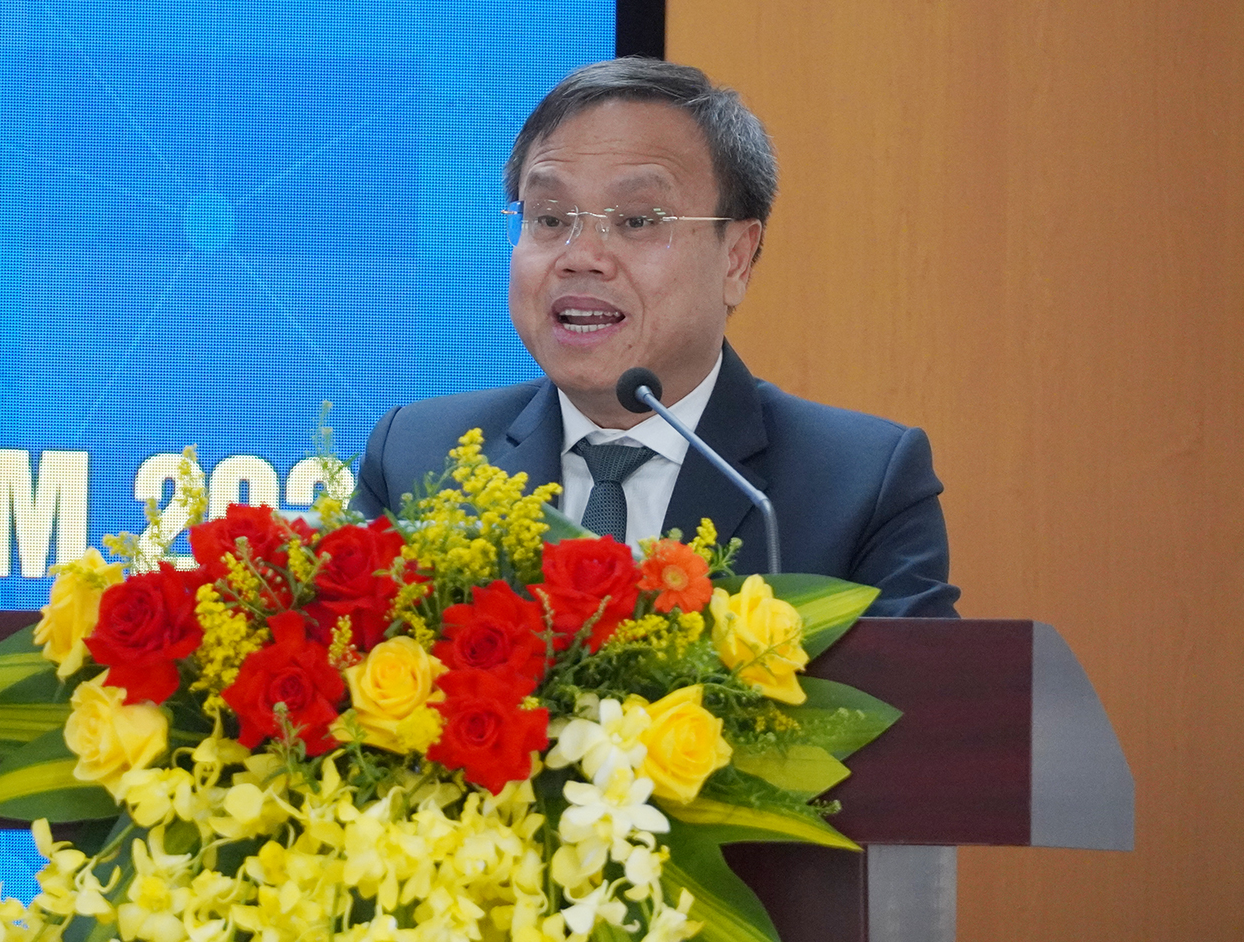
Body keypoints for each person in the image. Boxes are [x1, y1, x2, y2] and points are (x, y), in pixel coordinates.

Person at [351, 57, 958, 617]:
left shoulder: (860, 484)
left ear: (736, 259)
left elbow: (922, 697)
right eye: (550, 219)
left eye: (637, 221)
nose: (580, 257)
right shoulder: (415, 460)